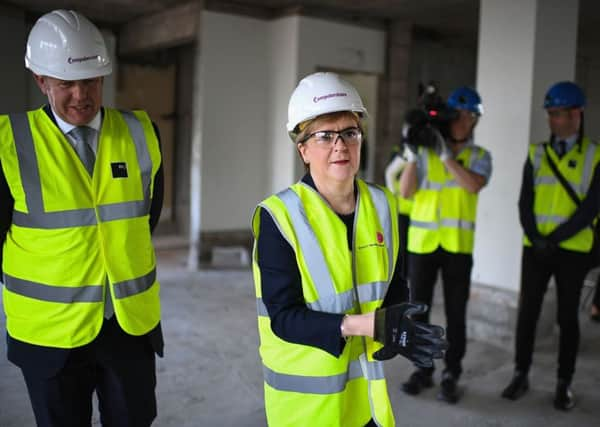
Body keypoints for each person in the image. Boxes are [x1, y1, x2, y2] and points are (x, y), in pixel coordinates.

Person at [251, 72, 447, 427]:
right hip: (307, 404)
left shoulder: (382, 204)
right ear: (303, 150)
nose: (340, 145)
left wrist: (395, 326)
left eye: (349, 133)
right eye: (324, 136)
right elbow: (283, 318)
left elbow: (394, 281)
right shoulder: (278, 217)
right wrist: (369, 325)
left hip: (367, 398)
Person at [0, 10, 164, 426]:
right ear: (41, 80)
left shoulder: (141, 133)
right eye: (65, 84)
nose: (80, 95)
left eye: (90, 81)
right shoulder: (9, 143)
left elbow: (147, 217)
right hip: (50, 335)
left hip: (128, 327)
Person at [501, 81, 600, 411]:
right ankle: (520, 374)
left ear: (576, 114)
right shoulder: (536, 153)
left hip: (572, 251)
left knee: (567, 318)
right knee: (527, 314)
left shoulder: (595, 155)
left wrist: (554, 239)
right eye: (550, 114)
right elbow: (524, 202)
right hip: (536, 249)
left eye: (557, 113)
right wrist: (536, 237)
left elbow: (591, 209)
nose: (552, 120)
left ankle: (564, 382)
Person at [398, 86, 492, 404]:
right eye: (460, 115)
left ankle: (452, 372)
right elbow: (405, 192)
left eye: (471, 116)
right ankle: (422, 369)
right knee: (419, 311)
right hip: (423, 244)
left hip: (457, 247)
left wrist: (445, 156)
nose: (464, 121)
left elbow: (472, 185)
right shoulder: (424, 152)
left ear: (476, 120)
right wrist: (412, 154)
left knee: (456, 313)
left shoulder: (480, 157)